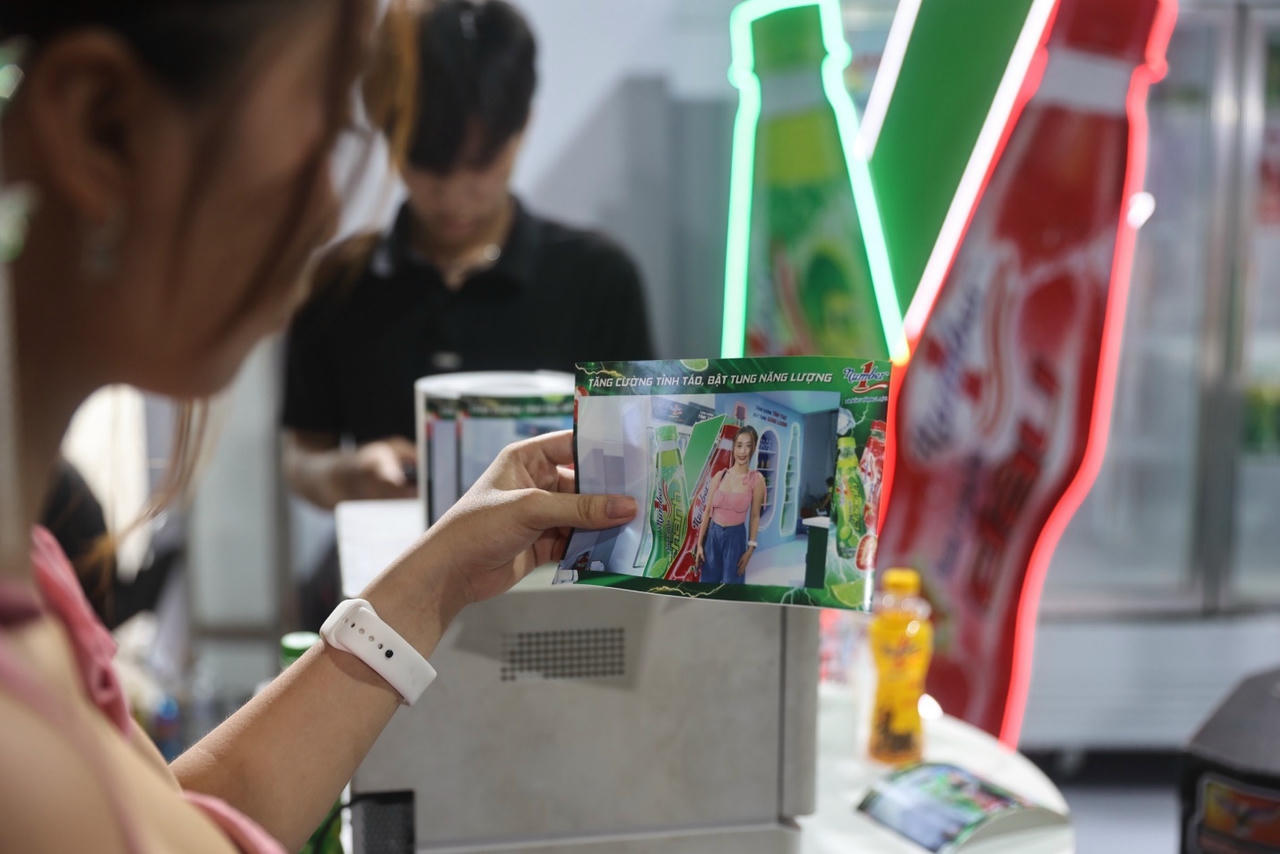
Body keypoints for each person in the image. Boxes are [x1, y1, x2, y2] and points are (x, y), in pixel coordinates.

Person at [0, 3, 636, 852]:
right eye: (323, 130)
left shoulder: (42, 583)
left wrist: (442, 570)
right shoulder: (20, 746)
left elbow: (188, 818)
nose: (329, 206)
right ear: (100, 124)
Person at [281, 0, 654, 512]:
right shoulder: (339, 283)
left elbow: (639, 454)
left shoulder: (598, 279)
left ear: (522, 128)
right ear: (389, 135)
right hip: (392, 555)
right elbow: (302, 455)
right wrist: (348, 476)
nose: (454, 196)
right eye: (427, 166)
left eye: (481, 165)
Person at [695, 426, 765, 585]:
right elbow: (707, 511)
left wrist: (750, 549)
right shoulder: (719, 476)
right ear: (734, 447)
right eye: (739, 445)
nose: (743, 451)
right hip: (712, 536)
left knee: (732, 586)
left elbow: (755, 516)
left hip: (736, 538)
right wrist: (699, 545)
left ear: (753, 448)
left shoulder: (756, 479)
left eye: (748, 446)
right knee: (707, 585)